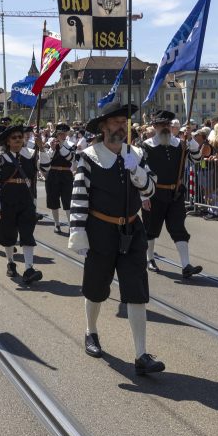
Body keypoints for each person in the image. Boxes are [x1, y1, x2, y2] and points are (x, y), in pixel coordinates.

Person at [68, 102, 163, 377]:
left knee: (137, 291)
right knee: (96, 287)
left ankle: (141, 354)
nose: (121, 126)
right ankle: (91, 331)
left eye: (124, 122)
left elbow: (150, 190)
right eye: (115, 122)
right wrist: (79, 233)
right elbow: (79, 198)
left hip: (132, 230)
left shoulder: (137, 153)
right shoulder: (88, 157)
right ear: (103, 127)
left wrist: (136, 170)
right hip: (100, 230)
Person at [139, 110, 203, 276]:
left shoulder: (180, 144)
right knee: (151, 228)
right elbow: (139, 172)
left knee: (178, 228)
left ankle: (186, 265)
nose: (165, 128)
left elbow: (197, 159)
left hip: (175, 194)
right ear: (154, 127)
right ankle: (149, 258)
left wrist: (191, 140)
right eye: (161, 125)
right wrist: (144, 196)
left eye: (167, 124)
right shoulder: (145, 146)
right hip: (153, 194)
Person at [0, 125, 41, 283]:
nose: (18, 140)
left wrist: (42, 148)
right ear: (8, 142)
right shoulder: (1, 156)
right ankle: (10, 263)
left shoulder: (30, 154)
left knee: (27, 232)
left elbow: (45, 169)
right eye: (14, 138)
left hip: (25, 199)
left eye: (20, 137)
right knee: (8, 233)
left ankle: (29, 268)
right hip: (7, 199)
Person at [39, 123, 75, 234]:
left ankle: (70, 226)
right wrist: (53, 149)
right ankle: (57, 224)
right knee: (53, 200)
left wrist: (61, 146)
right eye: (60, 134)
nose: (63, 136)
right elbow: (46, 159)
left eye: (64, 133)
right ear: (57, 134)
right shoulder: (50, 143)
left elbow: (71, 158)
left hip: (66, 175)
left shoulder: (71, 144)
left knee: (68, 200)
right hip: (53, 174)